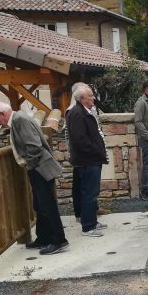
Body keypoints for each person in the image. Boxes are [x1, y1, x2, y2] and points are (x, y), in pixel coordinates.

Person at [0, 102, 68, 255]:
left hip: (39, 167)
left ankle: (59, 240)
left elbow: (34, 146)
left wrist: (30, 165)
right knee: (39, 204)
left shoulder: (19, 120)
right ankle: (43, 238)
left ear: (1, 114)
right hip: (39, 167)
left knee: (47, 205)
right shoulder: (18, 118)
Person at [65, 83, 108, 237]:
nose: (94, 98)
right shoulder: (77, 113)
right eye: (90, 96)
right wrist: (95, 151)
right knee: (89, 193)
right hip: (87, 160)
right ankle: (88, 226)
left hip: (91, 159)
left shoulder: (83, 111)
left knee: (92, 192)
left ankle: (92, 222)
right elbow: (79, 140)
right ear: (82, 98)